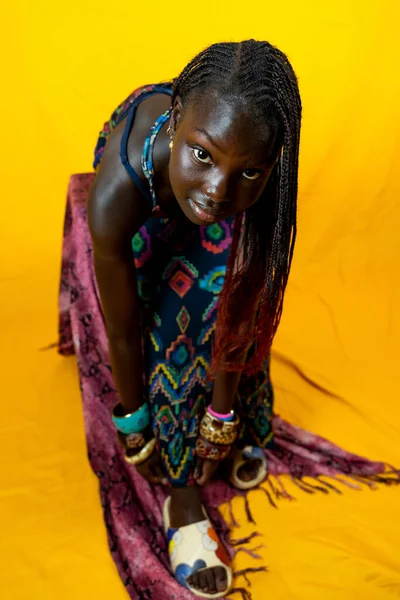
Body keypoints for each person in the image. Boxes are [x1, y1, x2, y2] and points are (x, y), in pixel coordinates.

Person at [59, 40, 395, 599]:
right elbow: (121, 329)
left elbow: (246, 306)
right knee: (171, 322)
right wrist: (134, 420)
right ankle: (181, 490)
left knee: (229, 294)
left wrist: (223, 411)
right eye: (205, 155)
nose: (219, 191)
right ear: (175, 127)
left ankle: (240, 422)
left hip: (188, 181)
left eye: (249, 172)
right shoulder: (118, 191)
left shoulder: (251, 177)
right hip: (150, 196)